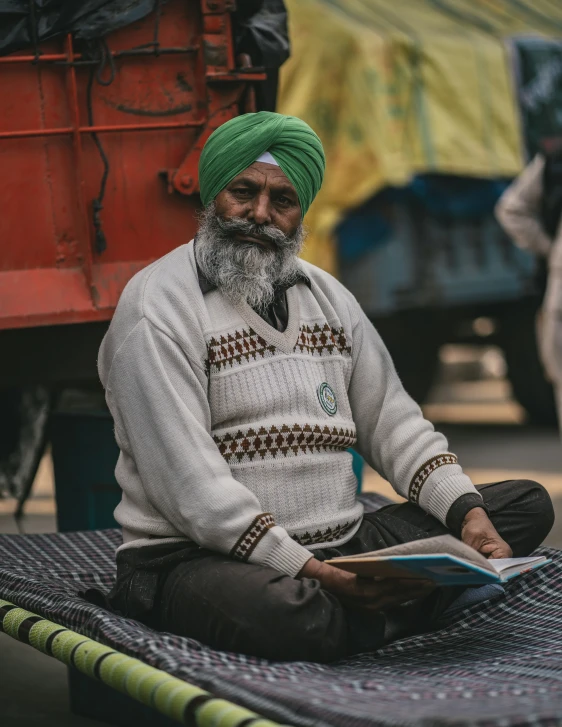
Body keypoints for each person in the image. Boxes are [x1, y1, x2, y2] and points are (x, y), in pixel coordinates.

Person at [98, 112, 554, 663]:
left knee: (523, 506)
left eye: (282, 200)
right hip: (201, 557)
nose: (259, 215)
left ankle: (369, 605)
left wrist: (465, 514)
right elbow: (194, 490)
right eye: (243, 193)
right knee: (286, 613)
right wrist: (310, 572)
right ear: (213, 194)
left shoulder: (328, 297)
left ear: (301, 212)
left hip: (342, 544)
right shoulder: (158, 308)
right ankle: (386, 609)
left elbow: (393, 422)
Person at [496, 149, 562, 431]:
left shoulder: (553, 160)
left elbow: (511, 208)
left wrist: (550, 251)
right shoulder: (552, 163)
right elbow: (511, 209)